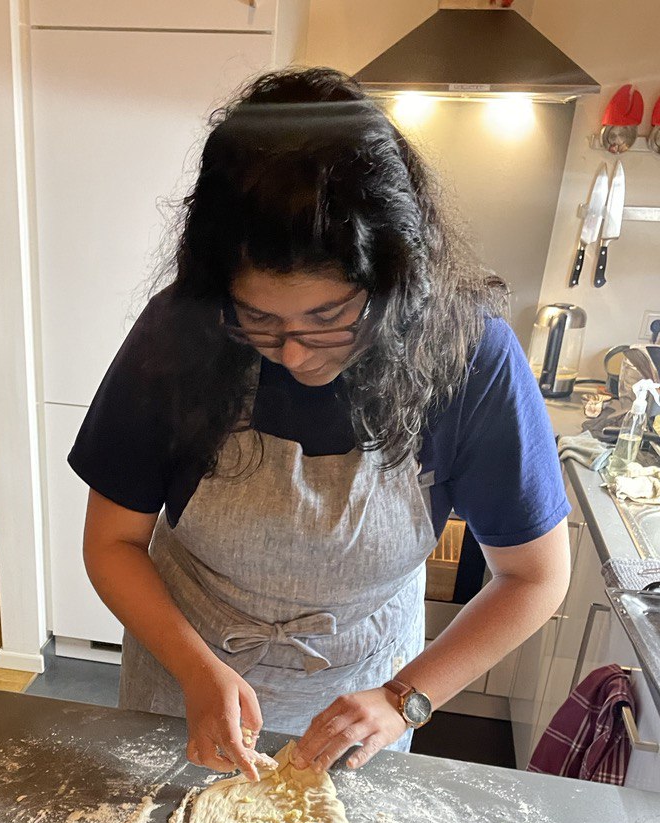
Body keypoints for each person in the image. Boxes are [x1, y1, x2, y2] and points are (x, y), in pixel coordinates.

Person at [68, 68, 570, 781]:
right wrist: (193, 669)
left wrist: (406, 697)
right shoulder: (180, 334)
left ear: (396, 278)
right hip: (183, 683)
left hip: (365, 702)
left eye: (329, 319)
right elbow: (113, 542)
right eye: (260, 320)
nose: (296, 352)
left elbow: (534, 577)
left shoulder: (467, 355)